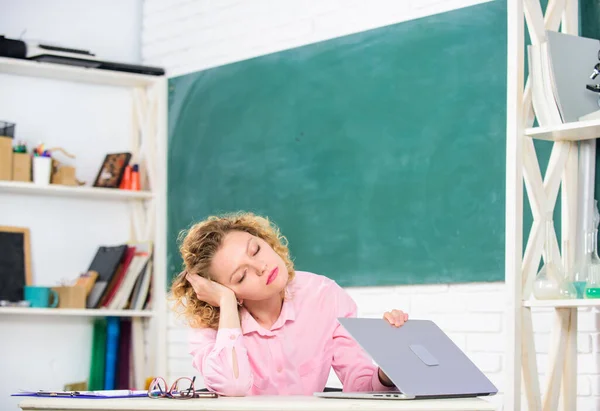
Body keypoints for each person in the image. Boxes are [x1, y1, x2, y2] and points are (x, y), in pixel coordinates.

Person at [170, 212, 409, 396]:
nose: (261, 267)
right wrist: (227, 304)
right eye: (241, 277)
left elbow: (360, 387)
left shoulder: (324, 296)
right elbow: (233, 387)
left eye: (256, 250)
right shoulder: (211, 326)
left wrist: (387, 373)